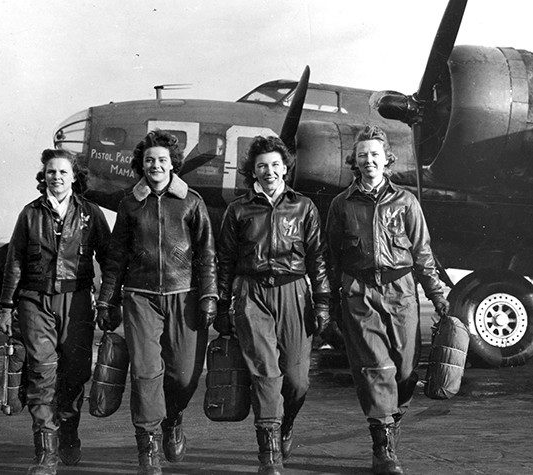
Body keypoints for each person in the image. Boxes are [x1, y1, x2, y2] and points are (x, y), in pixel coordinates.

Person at [325, 125, 450, 475]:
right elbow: (331, 256)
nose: (368, 161)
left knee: (406, 372)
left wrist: (437, 296)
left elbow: (423, 252)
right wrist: (330, 302)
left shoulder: (406, 201)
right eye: (362, 155)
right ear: (355, 161)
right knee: (375, 367)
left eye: (375, 154)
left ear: (386, 160)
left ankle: (390, 423)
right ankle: (383, 448)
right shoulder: (341, 204)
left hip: (402, 293)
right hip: (359, 294)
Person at [96, 129, 218, 475]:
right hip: (141, 298)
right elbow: (116, 257)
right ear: (142, 165)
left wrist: (209, 295)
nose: (156, 165)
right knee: (147, 373)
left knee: (183, 375)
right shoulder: (130, 204)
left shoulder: (192, 201)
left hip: (185, 297)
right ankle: (147, 446)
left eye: (162, 159)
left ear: (173, 164)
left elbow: (207, 255)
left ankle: (173, 418)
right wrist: (106, 300)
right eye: (149, 160)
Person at [216, 135, 331, 474]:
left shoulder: (304, 207)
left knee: (296, 380)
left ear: (285, 168)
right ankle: (269, 453)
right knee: (265, 374)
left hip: (294, 291)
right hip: (252, 293)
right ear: (252, 170)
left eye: (275, 164)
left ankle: (285, 424)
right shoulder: (238, 210)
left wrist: (322, 302)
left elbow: (318, 258)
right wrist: (224, 305)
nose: (269, 171)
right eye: (262, 165)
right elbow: (224, 260)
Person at [0, 149, 111, 475]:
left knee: (75, 374)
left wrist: (107, 300)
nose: (57, 177)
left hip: (77, 302)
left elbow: (108, 260)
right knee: (42, 372)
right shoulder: (30, 213)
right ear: (44, 176)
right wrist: (6, 306)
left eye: (63, 172)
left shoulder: (91, 213)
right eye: (51, 172)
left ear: (74, 176)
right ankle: (46, 453)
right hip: (34, 301)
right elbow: (15, 261)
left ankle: (69, 431)